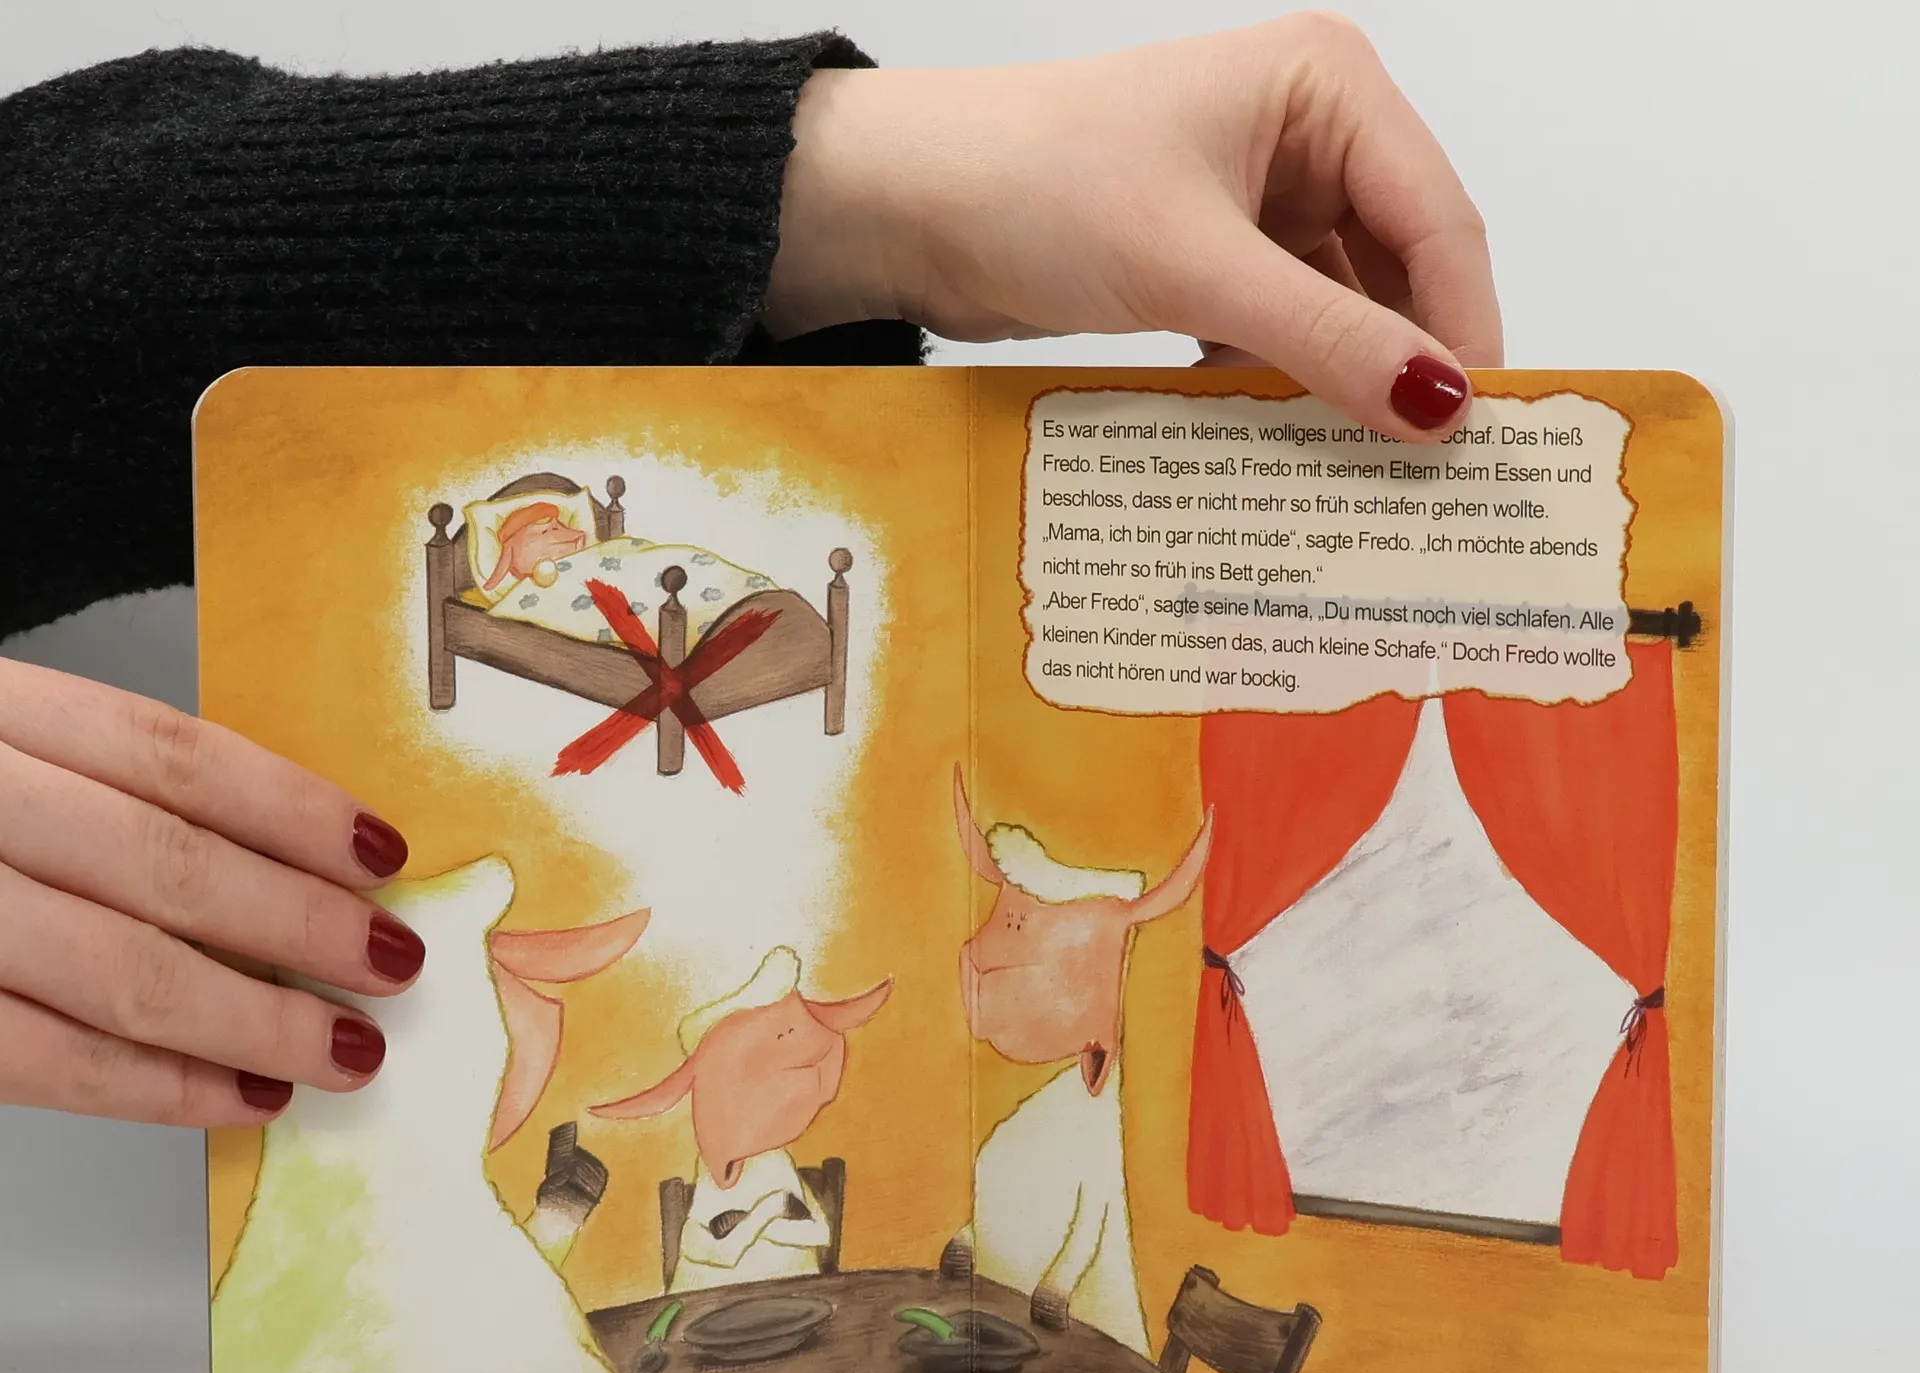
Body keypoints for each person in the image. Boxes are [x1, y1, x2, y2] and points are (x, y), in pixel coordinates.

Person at [0, 17, 1500, 1129]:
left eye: (550, 541)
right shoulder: (514, 602)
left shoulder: (623, 573)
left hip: (677, 616)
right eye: (536, 550)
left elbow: (78, 317)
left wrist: (855, 186)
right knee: (639, 622)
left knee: (671, 603)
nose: (549, 552)